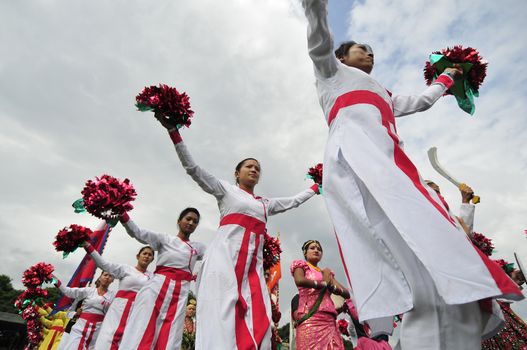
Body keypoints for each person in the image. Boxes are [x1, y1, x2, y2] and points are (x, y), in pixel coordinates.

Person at [301, 0, 523, 348]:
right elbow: (319, 40)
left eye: (373, 52)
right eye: (363, 50)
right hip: (358, 163)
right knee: (403, 251)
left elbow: (423, 100)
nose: (370, 55)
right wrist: (315, 6)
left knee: (434, 238)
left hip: (393, 168)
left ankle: (458, 301)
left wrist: (450, 76)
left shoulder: (384, 94)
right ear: (343, 57)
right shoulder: (331, 74)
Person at [155, 114, 319, 349]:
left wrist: (316, 186)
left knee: (258, 319)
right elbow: (193, 169)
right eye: (249, 166)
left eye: (258, 168)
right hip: (224, 262)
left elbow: (293, 201)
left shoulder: (265, 204)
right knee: (220, 316)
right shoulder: (226, 191)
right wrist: (174, 132)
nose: (254, 170)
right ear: (237, 173)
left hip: (251, 270)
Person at [118, 207, 205, 350]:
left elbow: (214, 257)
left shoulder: (198, 247)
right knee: (143, 329)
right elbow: (138, 233)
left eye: (195, 221)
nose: (191, 223)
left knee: (170, 336)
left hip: (180, 295)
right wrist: (122, 213)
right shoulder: (165, 239)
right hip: (156, 289)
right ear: (179, 221)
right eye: (187, 219)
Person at [80, 241, 154, 350]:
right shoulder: (126, 269)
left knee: (129, 341)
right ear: (138, 256)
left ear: (152, 259)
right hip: (118, 310)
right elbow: (104, 264)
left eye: (150, 255)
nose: (147, 256)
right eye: (144, 253)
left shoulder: (153, 277)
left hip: (138, 311)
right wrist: (88, 247)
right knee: (108, 339)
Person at [291, 240, 349, 349]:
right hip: (311, 319)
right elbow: (299, 280)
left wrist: (333, 288)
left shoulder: (326, 273)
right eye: (312, 248)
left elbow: (346, 294)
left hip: (329, 321)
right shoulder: (301, 265)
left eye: (319, 249)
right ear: (305, 252)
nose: (316, 250)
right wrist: (322, 284)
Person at [53, 272, 114, 350]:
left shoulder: (113, 296)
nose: (107, 277)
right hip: (80, 329)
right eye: (105, 275)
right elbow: (67, 291)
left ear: (113, 280)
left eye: (110, 276)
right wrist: (53, 279)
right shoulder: (88, 291)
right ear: (100, 277)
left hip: (97, 333)